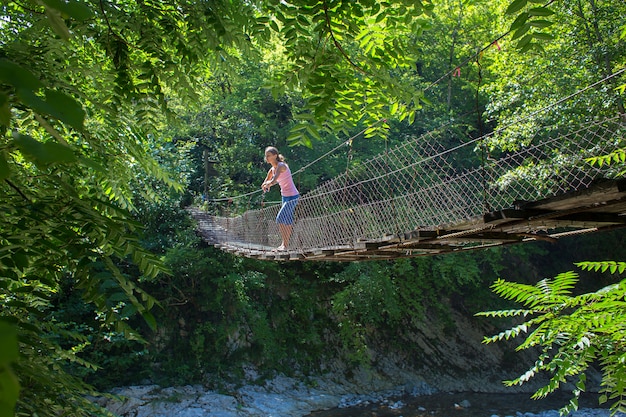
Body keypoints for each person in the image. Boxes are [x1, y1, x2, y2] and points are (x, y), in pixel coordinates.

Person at [261, 146, 300, 251]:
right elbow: (265, 182)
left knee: (280, 218)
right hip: (285, 196)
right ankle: (286, 245)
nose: (267, 158)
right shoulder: (271, 169)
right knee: (287, 220)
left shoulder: (281, 166)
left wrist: (268, 184)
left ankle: (284, 244)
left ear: (275, 155)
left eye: (269, 155)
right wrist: (265, 186)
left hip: (293, 196)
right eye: (266, 156)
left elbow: (273, 181)